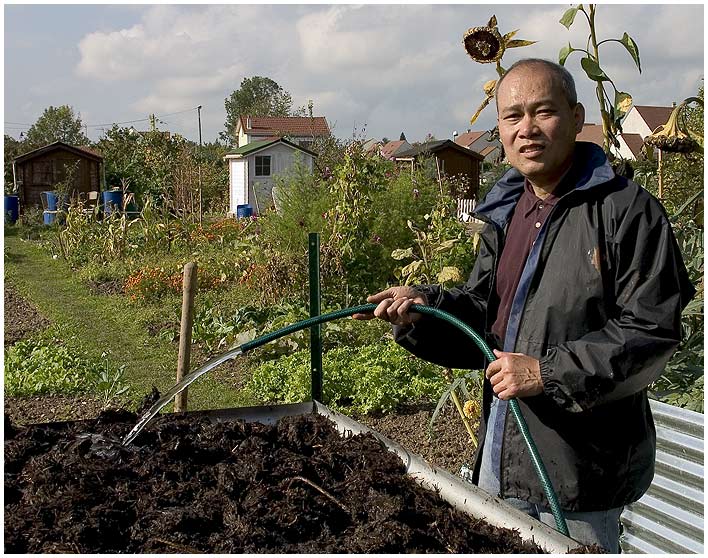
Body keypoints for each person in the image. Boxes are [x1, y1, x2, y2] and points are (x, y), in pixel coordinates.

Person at [354, 58, 695, 552]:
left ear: (577, 119)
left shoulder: (627, 211)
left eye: (543, 113)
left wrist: (548, 373)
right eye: (513, 117)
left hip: (581, 471)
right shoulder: (508, 206)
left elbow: (651, 331)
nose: (527, 129)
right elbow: (483, 315)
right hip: (502, 449)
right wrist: (422, 309)